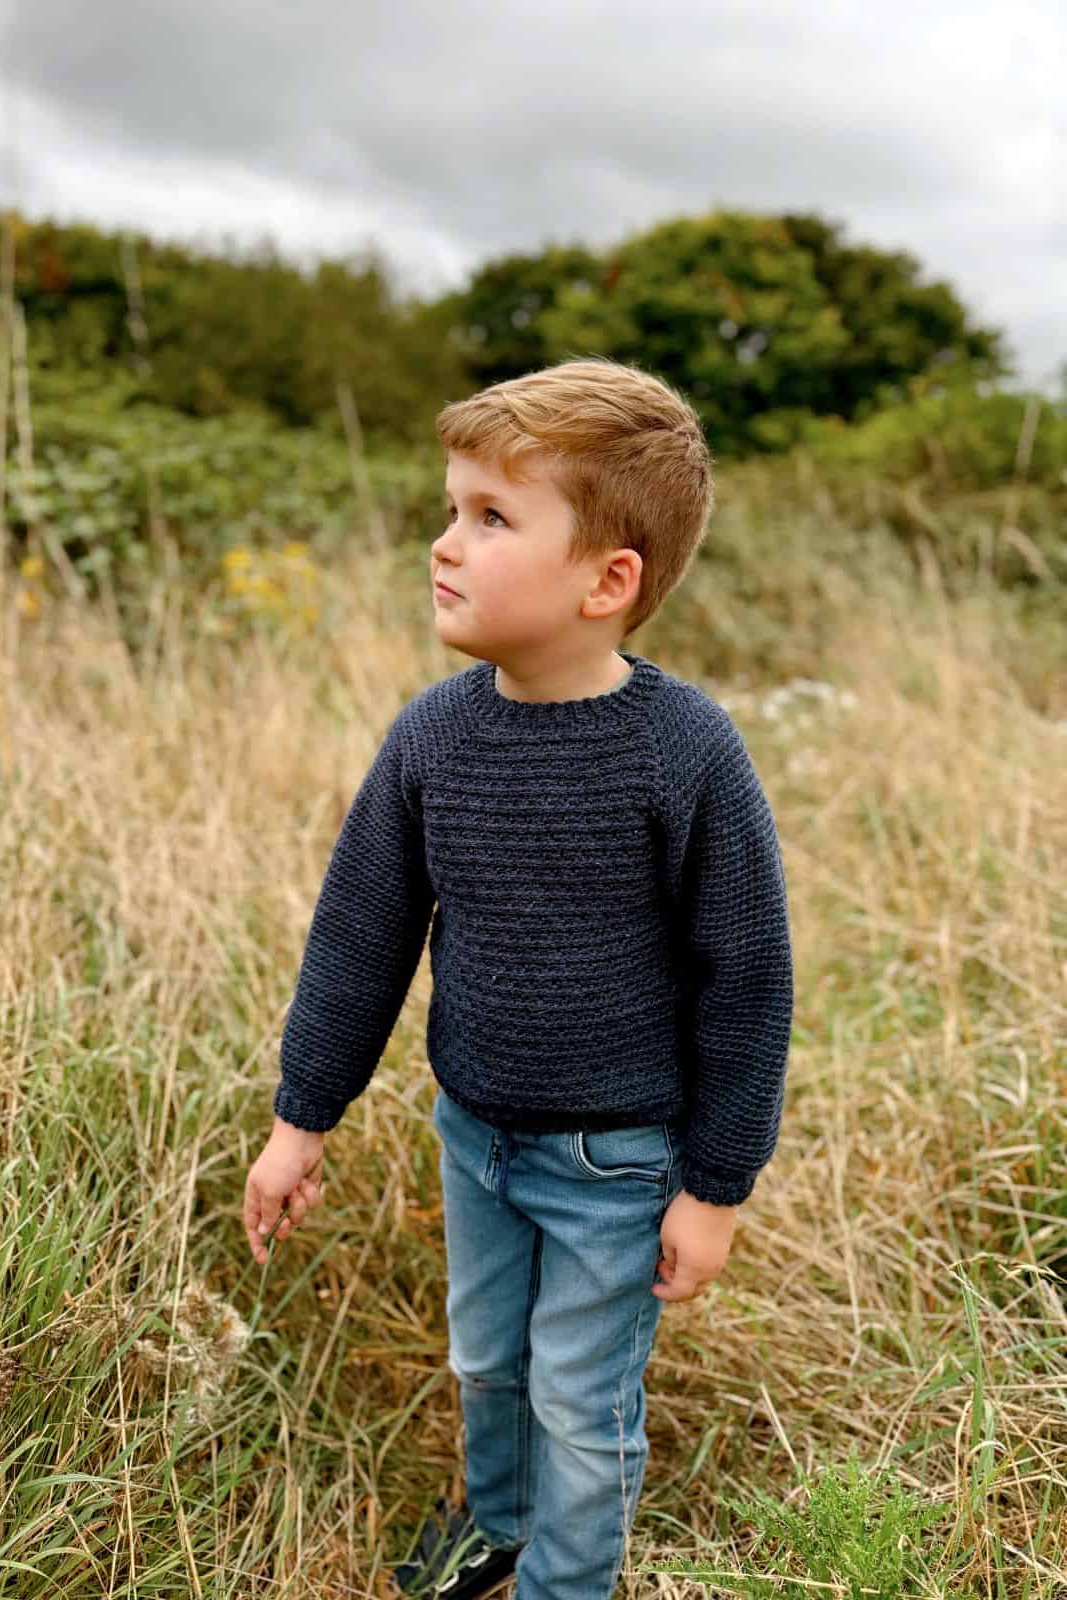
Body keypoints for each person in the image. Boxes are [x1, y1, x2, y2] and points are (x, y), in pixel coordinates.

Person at [243, 357, 794, 1600]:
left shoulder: (686, 749)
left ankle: (563, 1584)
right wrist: (300, 1121)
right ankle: (496, 1530)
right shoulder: (433, 736)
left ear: (610, 581)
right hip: (475, 1131)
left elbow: (748, 979)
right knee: (487, 1359)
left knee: (579, 1400)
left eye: (492, 517)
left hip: (615, 1158)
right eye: (450, 507)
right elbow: (360, 941)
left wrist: (715, 1186)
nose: (445, 544)